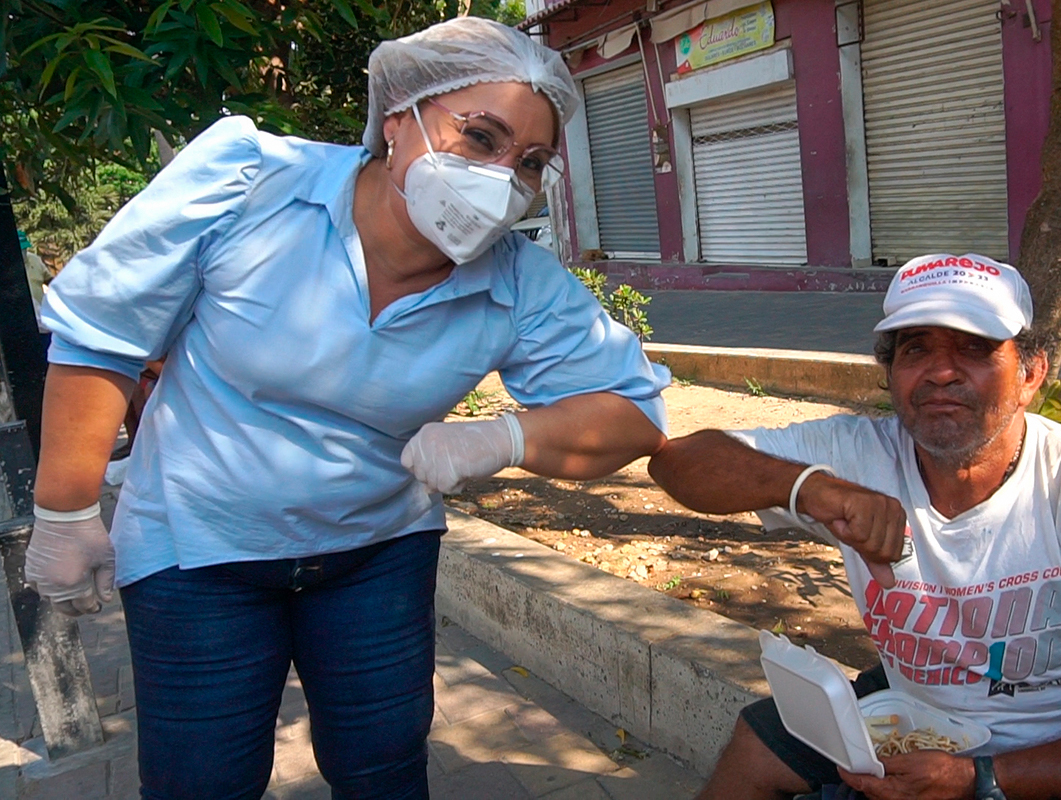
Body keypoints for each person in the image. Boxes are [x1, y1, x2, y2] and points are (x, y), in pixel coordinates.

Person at [28, 18, 669, 800]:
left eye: (530, 162)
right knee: (201, 780)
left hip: (376, 554)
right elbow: (104, 332)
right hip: (199, 550)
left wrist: (506, 436)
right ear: (399, 120)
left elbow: (633, 412)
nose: (503, 177)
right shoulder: (252, 181)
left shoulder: (519, 283)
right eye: (479, 137)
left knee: (383, 769)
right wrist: (65, 511)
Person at [648, 253, 1061, 800]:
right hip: (914, 719)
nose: (941, 372)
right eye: (916, 349)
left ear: (1031, 374)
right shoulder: (858, 456)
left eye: (974, 348)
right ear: (890, 375)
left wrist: (983, 779)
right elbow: (677, 461)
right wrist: (810, 488)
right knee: (759, 745)